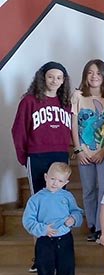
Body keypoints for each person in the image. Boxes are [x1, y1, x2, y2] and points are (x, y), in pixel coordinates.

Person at [22, 162, 83, 275]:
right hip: (45, 240)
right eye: (53, 179)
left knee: (67, 268)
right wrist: (42, 229)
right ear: (46, 177)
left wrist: (73, 219)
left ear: (66, 183)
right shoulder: (36, 199)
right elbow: (28, 221)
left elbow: (77, 212)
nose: (56, 183)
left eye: (60, 181)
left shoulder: (67, 196)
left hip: (65, 239)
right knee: (45, 269)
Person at [12, 61, 72, 195]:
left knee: (59, 197)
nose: (54, 81)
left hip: (60, 154)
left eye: (58, 77)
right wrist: (23, 156)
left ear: (63, 81)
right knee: (39, 196)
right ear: (43, 77)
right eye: (50, 76)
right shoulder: (29, 101)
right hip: (37, 155)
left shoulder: (66, 103)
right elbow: (18, 130)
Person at [71, 59, 104, 242]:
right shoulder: (78, 96)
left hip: (103, 153)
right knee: (88, 189)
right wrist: (79, 149)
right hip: (84, 153)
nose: (94, 76)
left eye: (98, 73)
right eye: (90, 72)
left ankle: (101, 225)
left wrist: (103, 151)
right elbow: (73, 125)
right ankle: (92, 225)